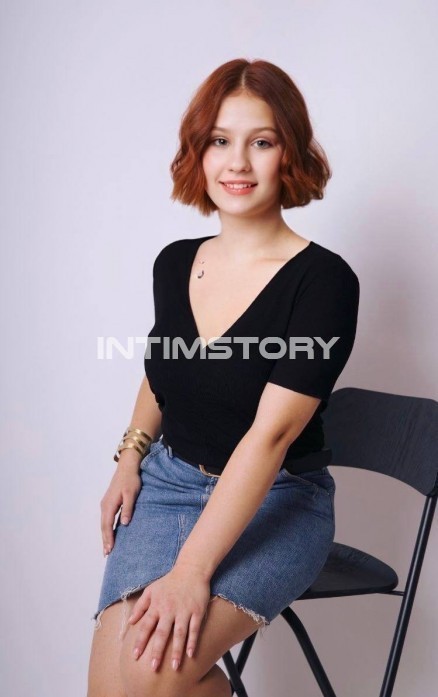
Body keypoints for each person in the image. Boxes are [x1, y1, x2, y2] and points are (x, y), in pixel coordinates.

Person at [87, 58, 360, 697]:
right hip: (169, 485)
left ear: (289, 153)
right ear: (199, 152)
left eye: (261, 142)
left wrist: (191, 572)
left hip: (278, 499)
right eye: (219, 140)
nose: (237, 163)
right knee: (113, 688)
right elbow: (164, 373)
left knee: (149, 675)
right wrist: (130, 456)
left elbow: (270, 438)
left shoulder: (324, 282)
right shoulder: (175, 263)